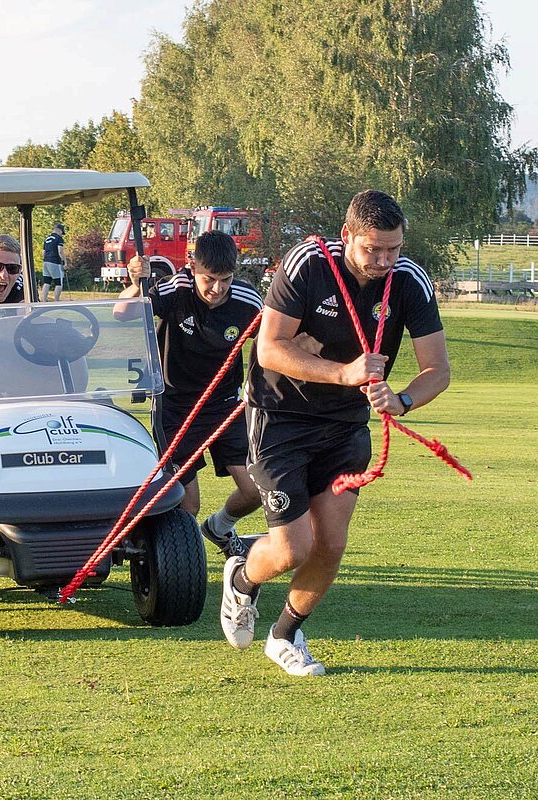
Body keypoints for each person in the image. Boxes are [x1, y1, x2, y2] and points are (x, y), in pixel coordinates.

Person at [220, 190, 450, 676]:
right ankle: (241, 579)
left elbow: (438, 370)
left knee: (330, 544)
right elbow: (269, 349)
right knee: (292, 549)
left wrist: (403, 399)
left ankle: (285, 635)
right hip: (280, 415)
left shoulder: (409, 280)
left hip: (345, 425)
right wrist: (344, 373)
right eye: (373, 249)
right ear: (347, 235)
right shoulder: (308, 263)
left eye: (393, 249)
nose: (384, 261)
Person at [115, 231, 263, 558]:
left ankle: (220, 527)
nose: (217, 289)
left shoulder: (247, 300)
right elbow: (122, 312)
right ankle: (170, 562)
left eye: (225, 280)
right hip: (176, 407)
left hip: (224, 406)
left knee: (256, 490)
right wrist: (136, 282)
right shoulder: (175, 288)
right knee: (188, 504)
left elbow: (275, 340)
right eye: (209, 279)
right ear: (193, 267)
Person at [40, 222, 67, 302]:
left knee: (47, 282)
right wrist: (64, 262)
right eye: (62, 233)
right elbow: (60, 251)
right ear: (59, 231)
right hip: (55, 262)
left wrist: (45, 260)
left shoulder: (47, 239)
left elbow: (43, 253)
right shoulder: (59, 239)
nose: (62, 235)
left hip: (45, 262)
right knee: (58, 282)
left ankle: (44, 300)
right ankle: (56, 300)